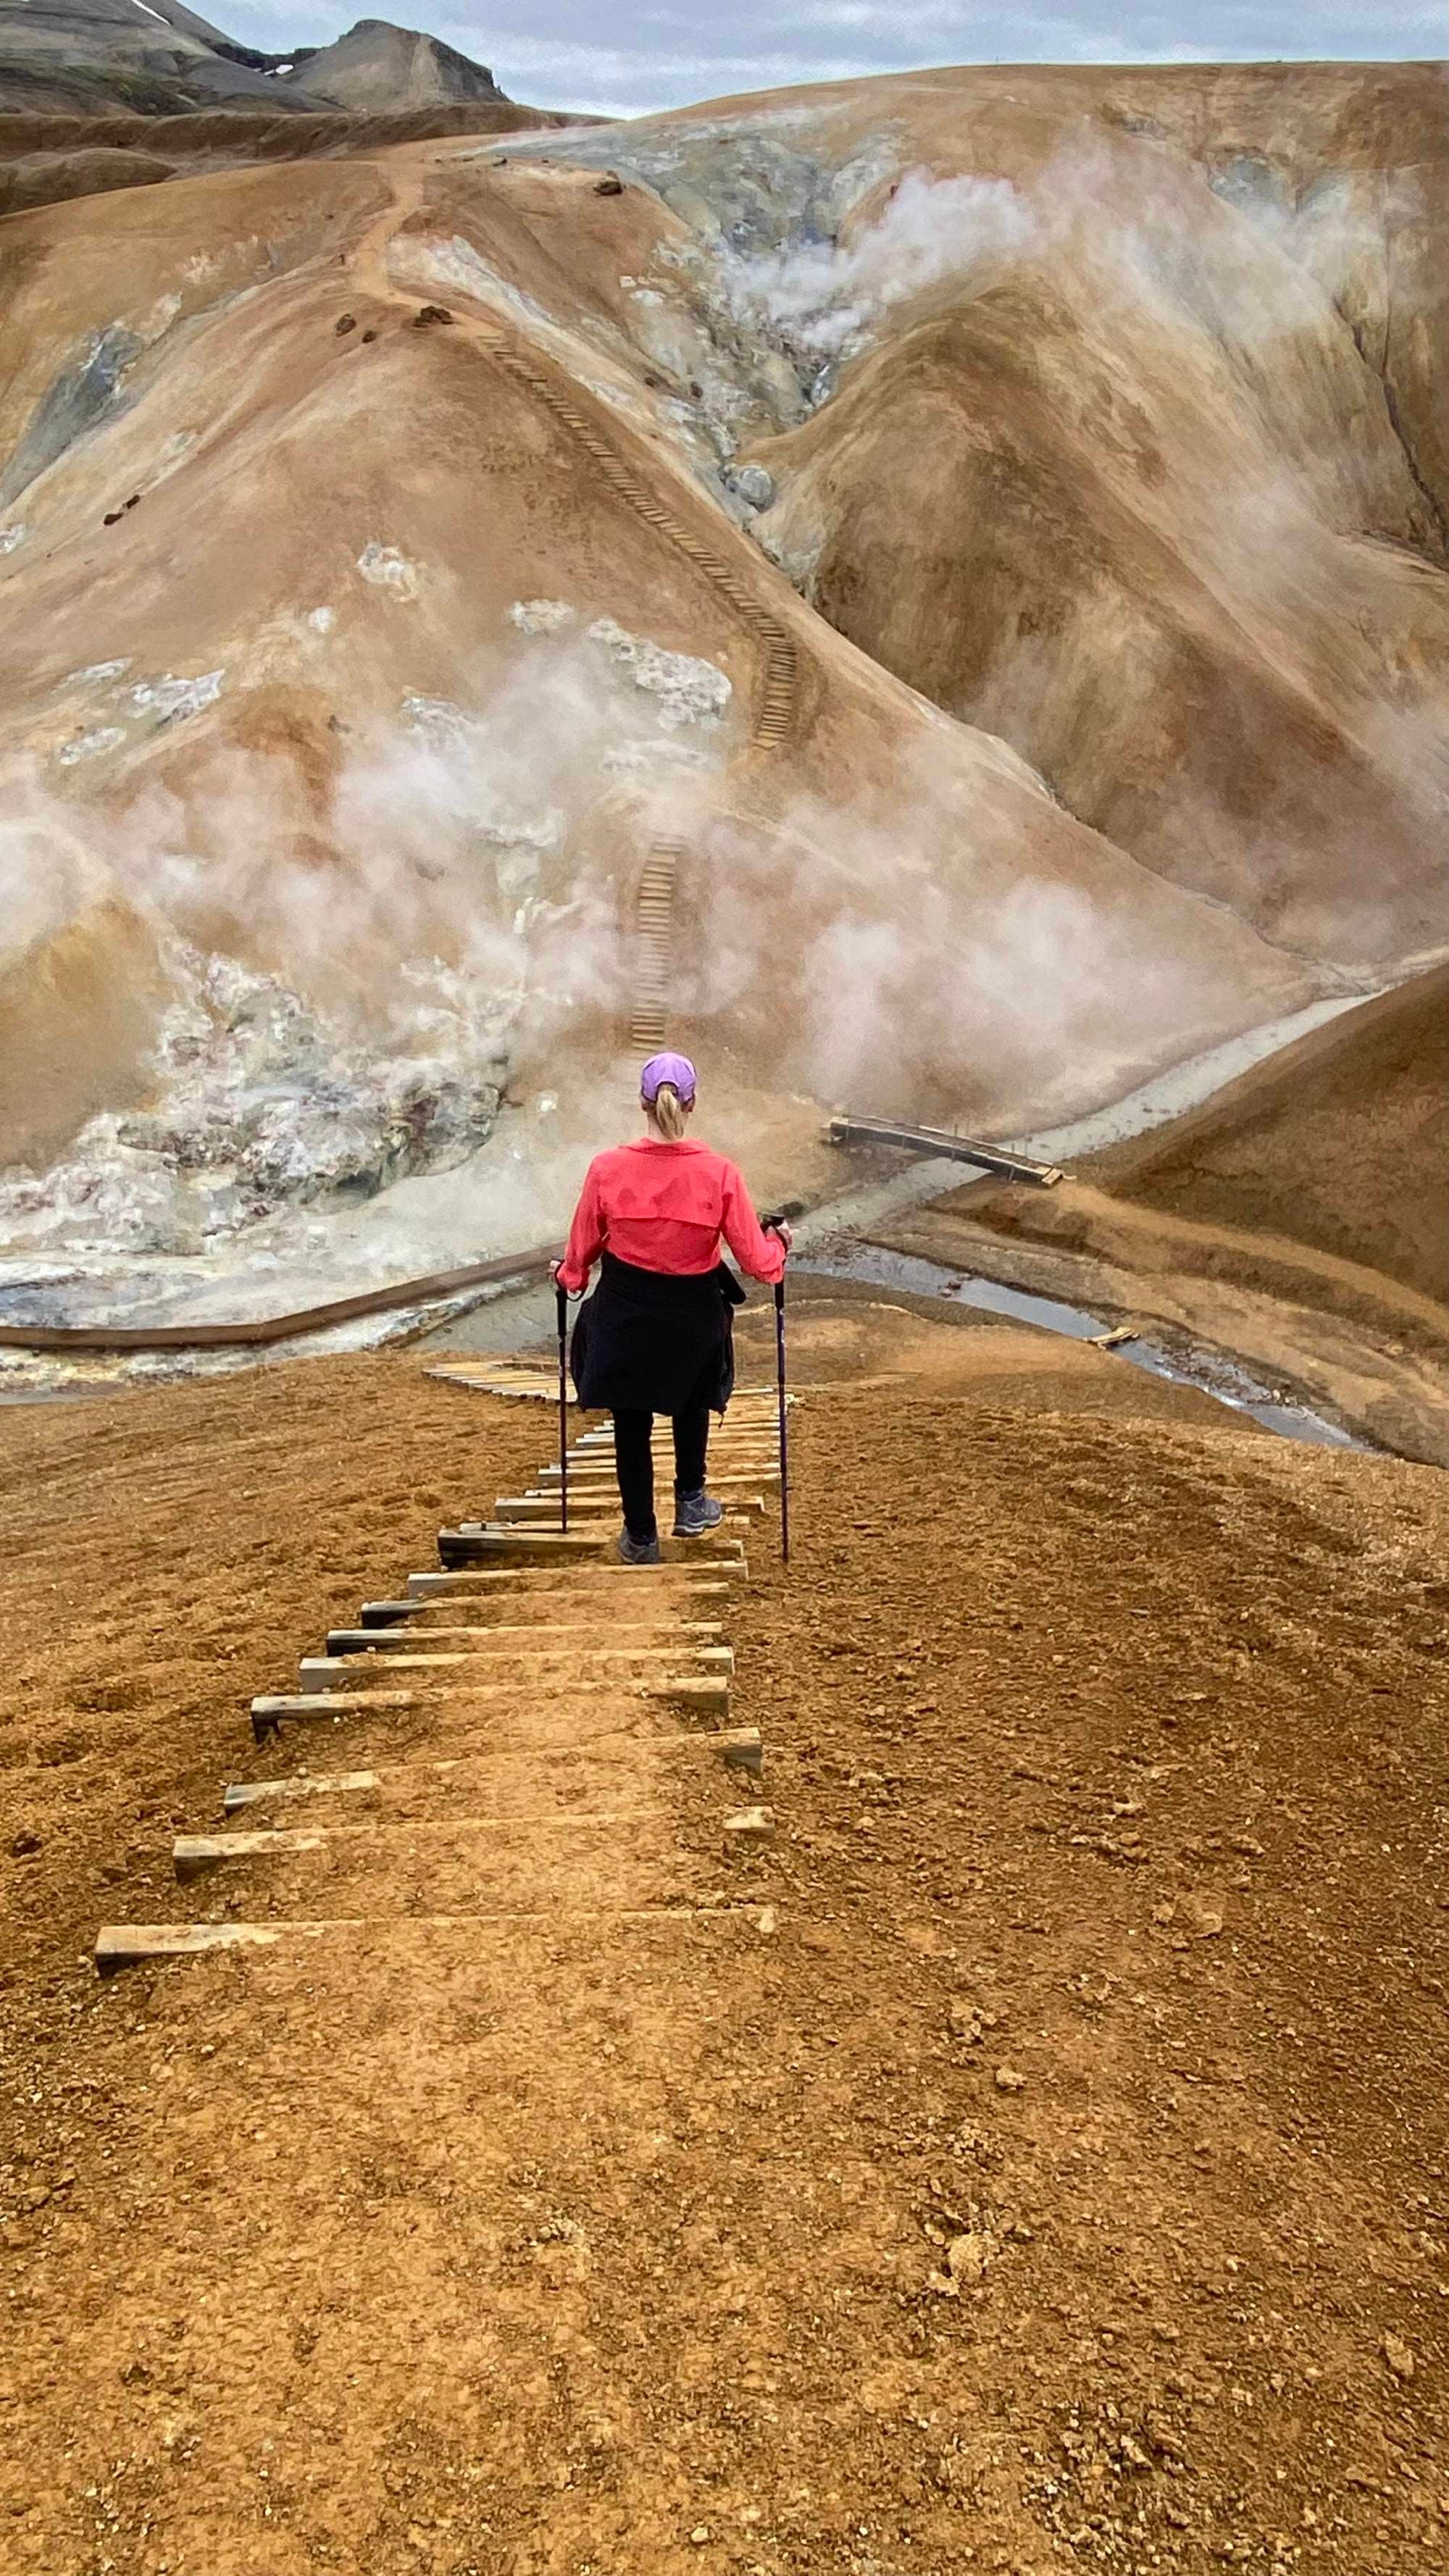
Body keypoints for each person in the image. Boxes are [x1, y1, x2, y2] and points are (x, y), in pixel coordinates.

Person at [552, 1052, 791, 1565]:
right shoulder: (720, 1174)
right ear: (692, 1103)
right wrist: (781, 1250)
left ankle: (641, 1536)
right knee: (690, 1399)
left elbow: (582, 1249)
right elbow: (757, 1261)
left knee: (630, 1420)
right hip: (691, 1313)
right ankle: (691, 1503)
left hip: (625, 1311)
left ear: (642, 1102)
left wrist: (567, 1276)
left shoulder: (606, 1168)